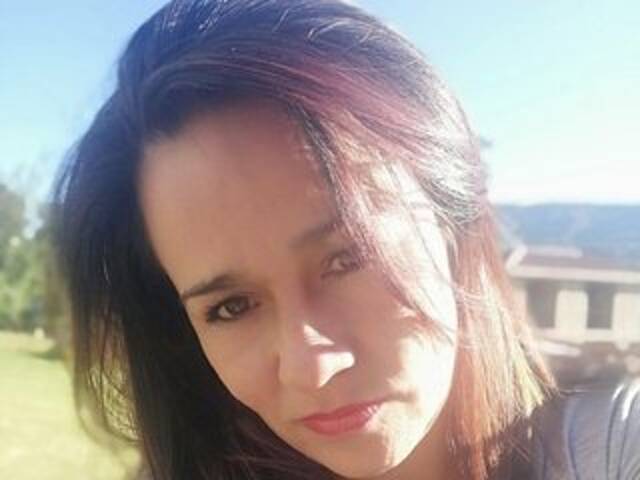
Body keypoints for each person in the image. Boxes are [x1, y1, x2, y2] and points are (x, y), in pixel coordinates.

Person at [52, 1, 639, 479]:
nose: (310, 369)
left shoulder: (611, 445)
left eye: (349, 255)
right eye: (231, 307)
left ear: (450, 215)